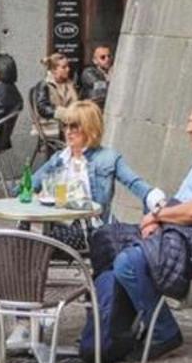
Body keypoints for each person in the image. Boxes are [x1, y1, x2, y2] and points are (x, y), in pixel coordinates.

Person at [80, 101, 192, 363]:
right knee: (106, 238)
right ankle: (111, 332)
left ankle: (164, 331)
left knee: (128, 261)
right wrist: (157, 220)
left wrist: (158, 216)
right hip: (179, 231)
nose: (188, 129)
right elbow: (181, 204)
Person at [31, 99, 154, 252]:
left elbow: (137, 185)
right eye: (66, 125)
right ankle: (23, 275)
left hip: (89, 229)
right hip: (57, 222)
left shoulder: (108, 158)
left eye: (74, 126)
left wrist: (156, 205)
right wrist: (36, 196)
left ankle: (31, 272)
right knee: (22, 232)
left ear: (90, 128)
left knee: (36, 241)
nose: (68, 131)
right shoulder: (60, 158)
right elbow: (27, 187)